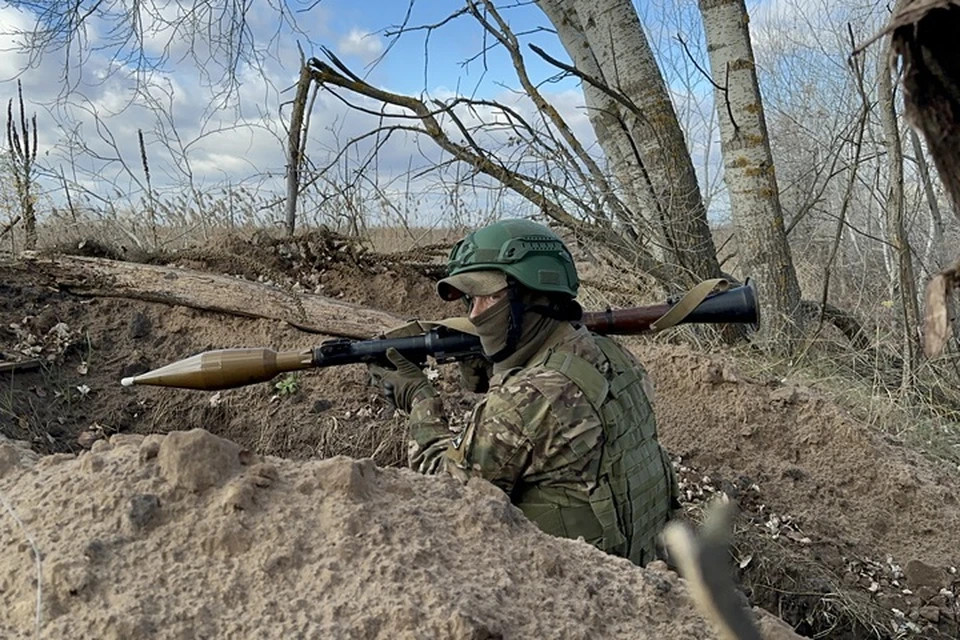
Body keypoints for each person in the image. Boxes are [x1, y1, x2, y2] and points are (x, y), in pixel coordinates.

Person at [368, 218, 678, 565]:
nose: (475, 315)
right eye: (471, 300)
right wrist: (498, 369)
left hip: (570, 585)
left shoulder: (523, 401)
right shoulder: (614, 354)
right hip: (644, 571)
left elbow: (445, 497)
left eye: (489, 297)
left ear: (533, 295)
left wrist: (419, 400)